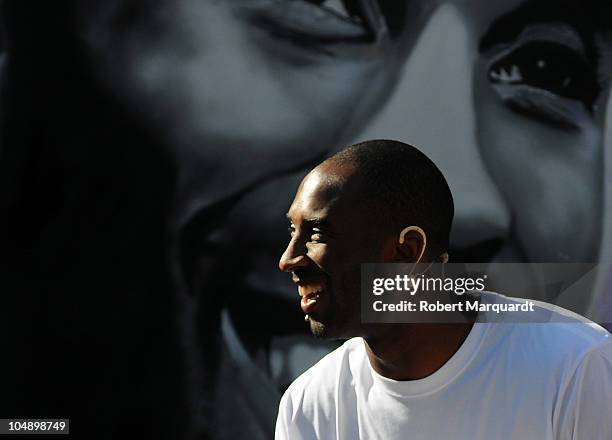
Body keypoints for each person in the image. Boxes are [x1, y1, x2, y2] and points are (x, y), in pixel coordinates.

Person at [276, 139, 612, 439]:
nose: (288, 259)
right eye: (292, 231)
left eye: (317, 234)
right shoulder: (310, 406)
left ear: (407, 253)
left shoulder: (576, 367)